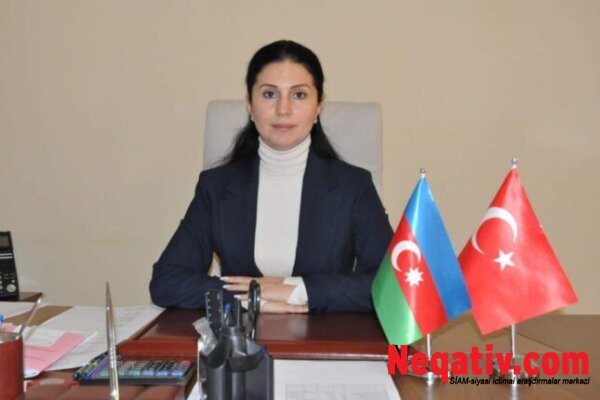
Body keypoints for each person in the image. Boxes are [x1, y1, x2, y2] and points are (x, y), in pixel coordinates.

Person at [150, 40, 393, 313]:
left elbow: (390, 286)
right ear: (250, 105)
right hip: (243, 336)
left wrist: (297, 291)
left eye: (299, 95)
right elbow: (167, 281)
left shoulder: (353, 186)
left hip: (325, 335)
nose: (283, 109)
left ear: (318, 107)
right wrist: (255, 298)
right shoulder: (216, 186)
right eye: (269, 94)